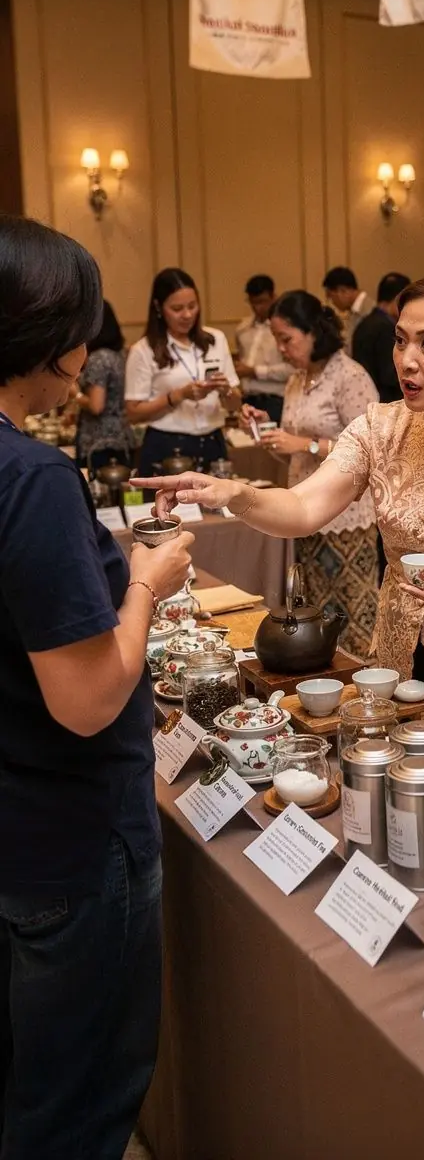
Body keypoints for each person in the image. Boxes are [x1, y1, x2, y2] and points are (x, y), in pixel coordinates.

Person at [139, 271, 424, 740]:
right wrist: (234, 493)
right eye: (400, 341)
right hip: (397, 668)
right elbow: (302, 508)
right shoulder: (380, 429)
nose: (406, 361)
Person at [0, 216, 193, 1157]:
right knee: (76, 1106)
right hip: (70, 840)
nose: (91, 348)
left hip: (15, 820)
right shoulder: (31, 476)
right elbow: (86, 701)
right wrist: (148, 584)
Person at [251, 290, 379, 658]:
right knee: (314, 619)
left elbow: (370, 451)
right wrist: (273, 439)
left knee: (353, 618)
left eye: (286, 338)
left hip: (346, 519)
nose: (280, 348)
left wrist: (305, 445)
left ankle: (368, 698)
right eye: (276, 338)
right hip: (304, 513)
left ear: (313, 333)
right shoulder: (296, 381)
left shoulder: (350, 377)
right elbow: (293, 457)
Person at [125, 268, 241, 474]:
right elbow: (133, 413)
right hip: (167, 446)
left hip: (213, 441)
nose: (187, 315)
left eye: (192, 306)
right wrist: (178, 395)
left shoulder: (216, 339)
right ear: (158, 307)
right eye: (177, 308)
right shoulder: (144, 350)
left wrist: (225, 390)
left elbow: (236, 404)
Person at [73, 298, 134, 470]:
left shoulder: (98, 358)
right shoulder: (119, 355)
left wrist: (75, 394)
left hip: (98, 442)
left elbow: (96, 406)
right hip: (122, 436)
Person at [233, 273, 291, 424]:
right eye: (253, 302)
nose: (257, 307)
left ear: (273, 297)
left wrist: (254, 371)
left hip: (275, 401)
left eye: (262, 302)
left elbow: (292, 370)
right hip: (247, 400)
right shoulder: (242, 329)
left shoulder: (285, 330)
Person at [352, 271, 410, 403]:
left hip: (363, 395)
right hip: (383, 400)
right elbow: (389, 375)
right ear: (398, 298)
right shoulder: (386, 327)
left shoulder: (364, 322)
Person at [322, 265, 374, 350]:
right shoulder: (354, 311)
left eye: (331, 297)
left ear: (342, 290)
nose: (332, 302)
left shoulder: (369, 311)